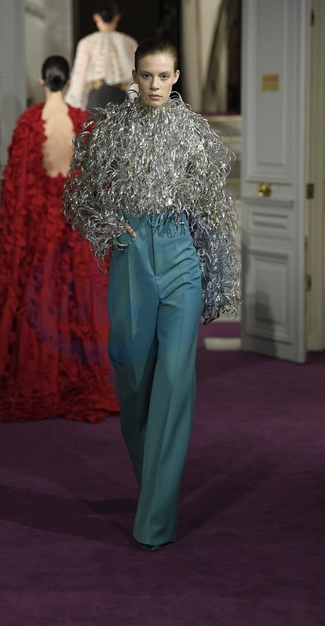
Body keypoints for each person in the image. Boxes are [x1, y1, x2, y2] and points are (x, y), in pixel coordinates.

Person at [63, 37, 240, 551]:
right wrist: (107, 227)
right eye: (147, 75)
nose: (155, 85)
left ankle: (155, 522)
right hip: (131, 259)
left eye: (164, 76)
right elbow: (78, 198)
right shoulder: (110, 132)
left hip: (182, 260)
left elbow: (213, 216)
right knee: (134, 383)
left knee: (175, 380)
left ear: (176, 77)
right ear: (134, 76)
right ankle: (153, 491)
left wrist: (217, 281)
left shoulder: (196, 135)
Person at [0, 56, 119, 424]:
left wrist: (13, 236)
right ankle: (69, 382)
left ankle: (34, 379)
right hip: (70, 226)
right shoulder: (80, 122)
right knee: (71, 299)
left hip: (37, 228)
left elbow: (15, 186)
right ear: (67, 81)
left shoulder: (28, 122)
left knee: (34, 298)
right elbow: (92, 182)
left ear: (42, 81)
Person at [64, 0, 137, 110]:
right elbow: (137, 77)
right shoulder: (130, 43)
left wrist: (75, 106)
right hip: (123, 98)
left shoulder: (87, 43)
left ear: (96, 17)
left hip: (96, 98)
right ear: (117, 17)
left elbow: (79, 78)